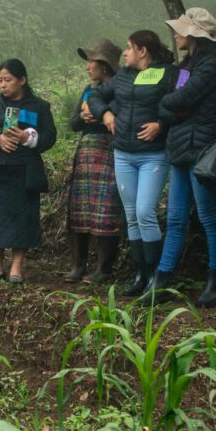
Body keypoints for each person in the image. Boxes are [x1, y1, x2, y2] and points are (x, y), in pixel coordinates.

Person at [155, 8, 216, 306]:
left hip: (202, 147)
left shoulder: (211, 64)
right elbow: (171, 102)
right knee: (175, 218)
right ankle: (161, 279)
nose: (176, 34)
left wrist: (170, 105)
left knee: (208, 215)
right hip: (180, 147)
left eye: (181, 29)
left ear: (194, 34)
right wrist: (171, 106)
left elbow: (181, 98)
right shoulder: (188, 64)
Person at [87, 30, 175, 297]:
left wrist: (161, 124)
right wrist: (106, 114)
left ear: (142, 51)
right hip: (123, 153)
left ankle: (156, 278)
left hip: (153, 155)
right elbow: (95, 96)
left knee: (145, 212)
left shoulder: (168, 73)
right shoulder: (123, 76)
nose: (124, 53)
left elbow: (182, 105)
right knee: (131, 215)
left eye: (128, 47)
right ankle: (141, 275)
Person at [0, 58, 57, 284]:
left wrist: (28, 138)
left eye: (8, 80)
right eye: (0, 80)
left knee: (23, 217)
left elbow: (50, 137)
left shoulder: (39, 106)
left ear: (22, 80)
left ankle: (16, 267)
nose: (3, 85)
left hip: (24, 169)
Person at [64, 40, 126, 283]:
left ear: (105, 65)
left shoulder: (120, 88)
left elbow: (124, 118)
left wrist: (101, 116)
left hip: (108, 151)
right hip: (86, 153)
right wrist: (82, 116)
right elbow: (73, 124)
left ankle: (104, 268)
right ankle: (78, 265)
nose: (87, 66)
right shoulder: (88, 90)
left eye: (92, 61)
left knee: (106, 208)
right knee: (79, 207)